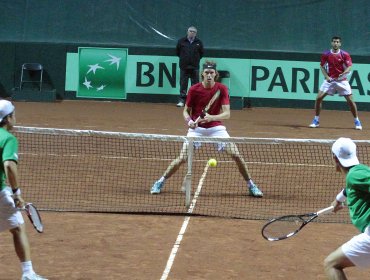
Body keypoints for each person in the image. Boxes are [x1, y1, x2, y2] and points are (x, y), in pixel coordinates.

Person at [150, 61, 263, 197]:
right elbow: (186, 111)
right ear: (202, 74)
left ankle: (251, 185)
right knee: (182, 158)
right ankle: (160, 182)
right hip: (196, 129)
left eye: (212, 73)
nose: (209, 75)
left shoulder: (222, 89)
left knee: (236, 155)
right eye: (207, 73)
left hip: (216, 128)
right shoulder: (194, 89)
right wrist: (190, 121)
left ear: (215, 74)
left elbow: (227, 114)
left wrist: (211, 117)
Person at [0, 100, 47, 280]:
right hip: (0, 191)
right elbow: (10, 165)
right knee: (18, 228)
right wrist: (17, 194)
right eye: (13, 114)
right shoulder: (8, 138)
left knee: (16, 226)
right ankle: (28, 274)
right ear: (7, 118)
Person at [324, 137, 370, 279]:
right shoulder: (359, 171)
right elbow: (351, 187)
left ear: (335, 158)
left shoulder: (354, 175)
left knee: (331, 264)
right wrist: (339, 199)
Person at [309, 36, 362, 130]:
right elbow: (321, 66)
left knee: (350, 101)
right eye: (334, 42)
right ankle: (316, 120)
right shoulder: (326, 54)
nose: (335, 43)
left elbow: (349, 66)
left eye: (337, 42)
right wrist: (326, 76)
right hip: (330, 80)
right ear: (331, 43)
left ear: (340, 44)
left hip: (342, 81)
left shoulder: (344, 54)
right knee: (318, 98)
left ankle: (357, 121)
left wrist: (345, 72)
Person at [175, 26, 204, 107]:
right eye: (190, 31)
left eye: (194, 32)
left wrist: (195, 61)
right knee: (183, 84)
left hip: (195, 67)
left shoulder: (199, 42)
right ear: (187, 32)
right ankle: (181, 100)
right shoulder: (181, 41)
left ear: (196, 33)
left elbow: (201, 53)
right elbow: (177, 52)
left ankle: (194, 101)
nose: (192, 32)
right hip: (184, 67)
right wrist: (184, 60)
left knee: (195, 85)